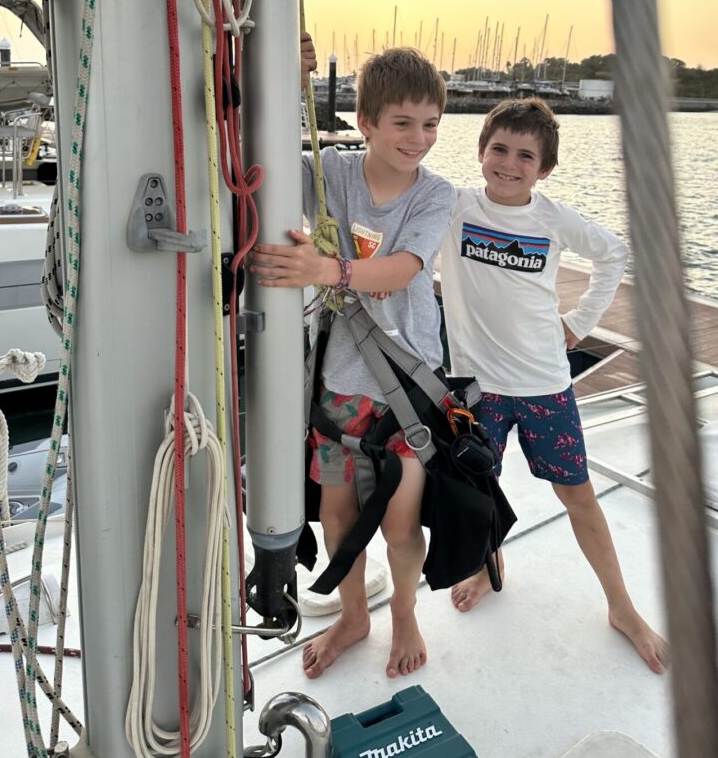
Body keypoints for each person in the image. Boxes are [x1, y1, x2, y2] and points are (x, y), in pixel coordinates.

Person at [438, 97, 668, 674]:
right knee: (478, 490)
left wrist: (580, 324)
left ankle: (621, 607)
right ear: (481, 149)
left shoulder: (552, 219)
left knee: (579, 496)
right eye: (499, 149)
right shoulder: (452, 207)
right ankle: (490, 569)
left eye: (525, 156)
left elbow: (613, 253)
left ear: (544, 168)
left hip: (544, 387)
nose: (509, 164)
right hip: (476, 389)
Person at [251, 38, 455, 680]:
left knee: (400, 523)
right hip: (339, 386)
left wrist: (326, 268)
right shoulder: (332, 172)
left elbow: (400, 270)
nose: (417, 138)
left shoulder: (435, 194)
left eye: (430, 125)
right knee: (337, 513)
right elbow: (267, 161)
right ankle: (352, 613)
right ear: (366, 123)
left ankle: (402, 613)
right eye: (402, 123)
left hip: (405, 390)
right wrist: (291, 78)